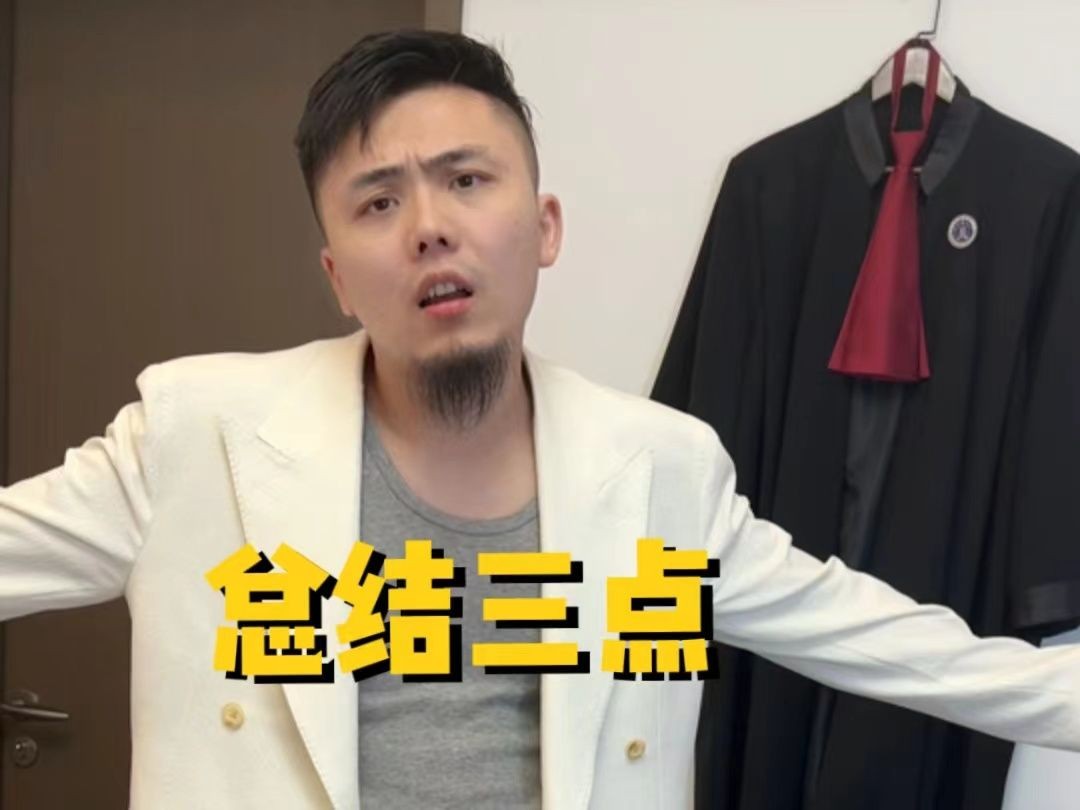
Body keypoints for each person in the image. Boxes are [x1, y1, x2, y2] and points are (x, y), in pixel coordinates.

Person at [0, 29, 1078, 810]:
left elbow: (898, 646)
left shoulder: (661, 471)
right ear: (335, 276)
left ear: (545, 225)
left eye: (467, 180)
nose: (430, 228)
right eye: (379, 201)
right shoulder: (198, 437)